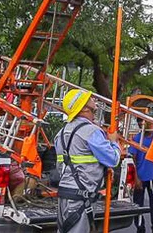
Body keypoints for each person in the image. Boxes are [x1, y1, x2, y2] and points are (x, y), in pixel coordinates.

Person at [56, 88, 122, 233]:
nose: (95, 102)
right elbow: (113, 159)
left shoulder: (61, 133)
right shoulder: (91, 131)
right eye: (91, 100)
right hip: (80, 198)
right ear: (84, 108)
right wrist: (114, 142)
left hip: (65, 195)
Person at [129, 116, 153, 233]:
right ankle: (140, 229)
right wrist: (136, 178)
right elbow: (132, 159)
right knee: (138, 206)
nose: (142, 124)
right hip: (140, 176)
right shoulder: (137, 139)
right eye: (140, 122)